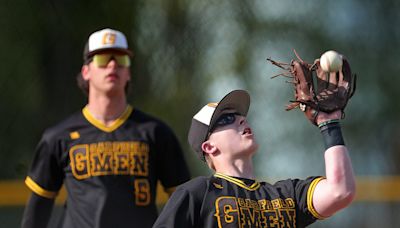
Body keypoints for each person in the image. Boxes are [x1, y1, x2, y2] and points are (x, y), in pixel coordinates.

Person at [21, 28, 191, 228]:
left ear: (128, 73)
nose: (112, 65)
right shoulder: (58, 137)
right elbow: (37, 209)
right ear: (86, 72)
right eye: (102, 59)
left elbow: (184, 205)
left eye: (121, 60)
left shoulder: (155, 132)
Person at [153, 89, 356, 227]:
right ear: (209, 146)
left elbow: (340, 192)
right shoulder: (197, 194)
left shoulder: (285, 196)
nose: (241, 119)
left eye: (241, 116)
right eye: (227, 119)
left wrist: (329, 124)